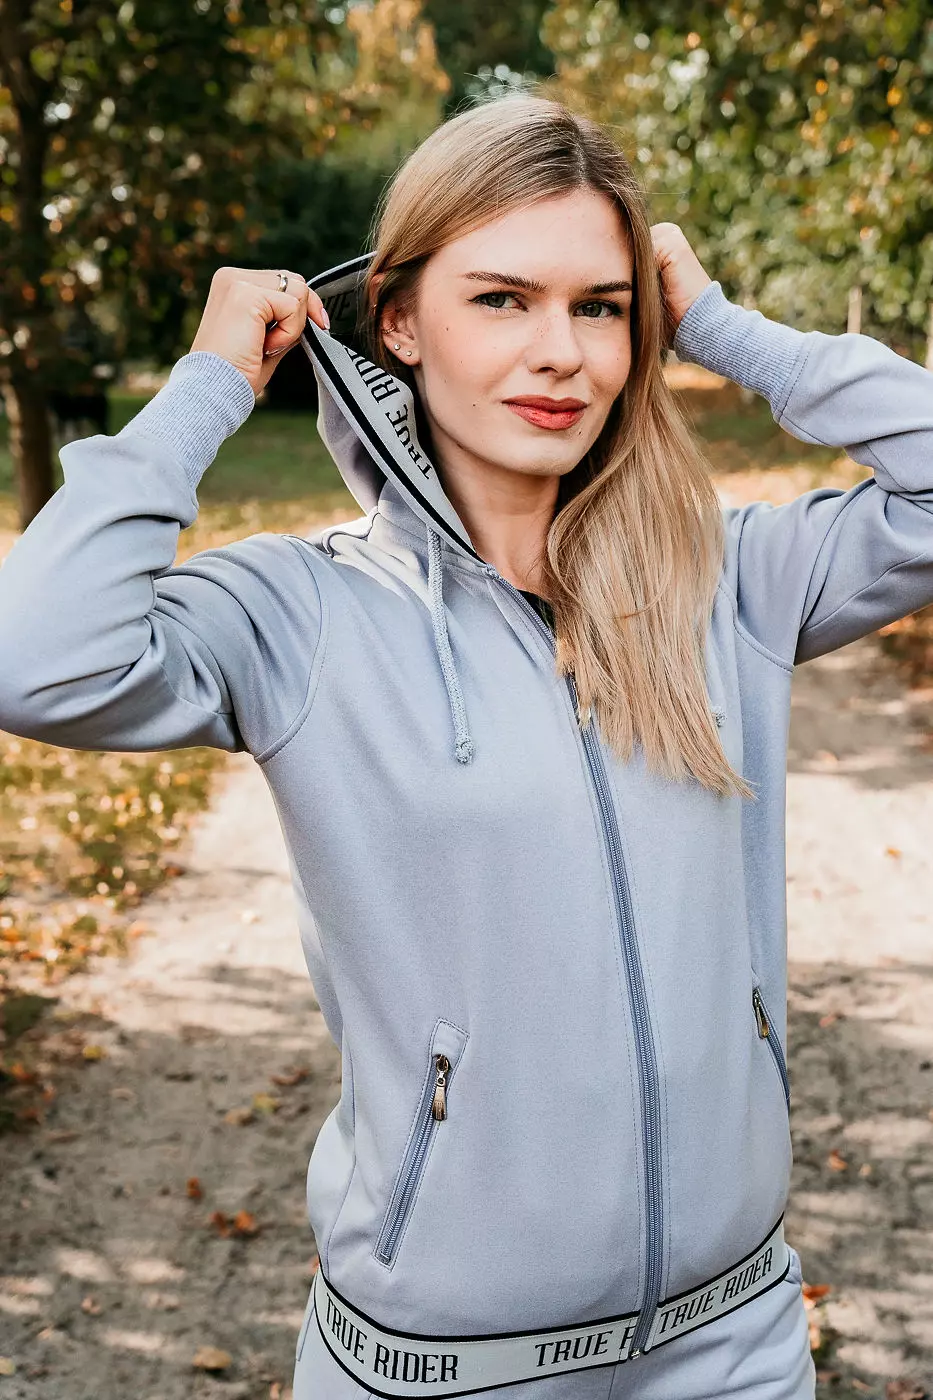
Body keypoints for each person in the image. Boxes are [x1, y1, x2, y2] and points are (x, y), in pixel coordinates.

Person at [0, 92, 930, 1400]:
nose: (561, 353)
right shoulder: (299, 612)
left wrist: (722, 325)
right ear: (396, 319)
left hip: (737, 1346)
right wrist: (210, 386)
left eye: (600, 307)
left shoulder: (728, 583)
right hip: (441, 1369)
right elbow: (36, 657)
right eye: (501, 298)